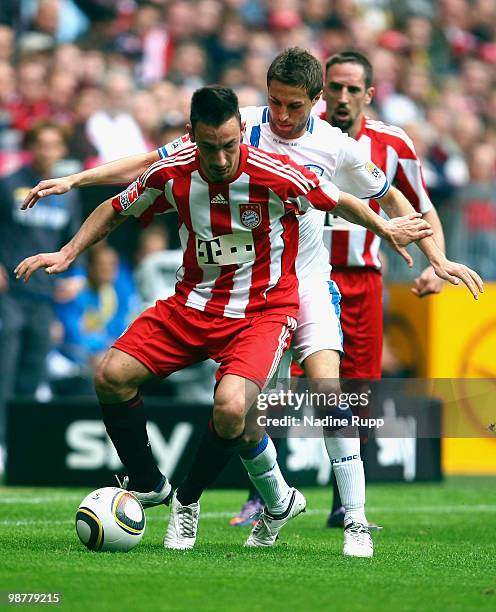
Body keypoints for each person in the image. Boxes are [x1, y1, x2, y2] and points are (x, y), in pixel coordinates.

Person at [21, 49, 483, 558]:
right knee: (245, 421)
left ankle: (354, 521)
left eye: (294, 106)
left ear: (316, 101)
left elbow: (388, 199)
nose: (281, 116)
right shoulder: (234, 125)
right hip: (220, 289)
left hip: (299, 285)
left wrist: (435, 257)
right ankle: (278, 500)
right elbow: (154, 162)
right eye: (274, 103)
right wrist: (75, 179)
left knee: (328, 394)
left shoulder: (333, 147)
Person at [0, 120, 81, 460]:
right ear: (30, 146)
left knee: (35, 364)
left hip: (44, 295)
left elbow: (73, 238)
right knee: (6, 361)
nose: (47, 151)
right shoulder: (8, 184)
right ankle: (2, 441)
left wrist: (75, 275)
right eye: (41, 144)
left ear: (62, 150)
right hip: (9, 290)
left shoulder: (66, 194)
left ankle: (21, 442)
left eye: (54, 145)